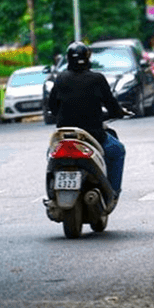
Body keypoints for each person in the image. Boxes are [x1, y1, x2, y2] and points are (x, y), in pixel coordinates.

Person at [47, 42, 126, 200]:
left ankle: (51, 194)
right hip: (94, 136)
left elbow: (52, 107)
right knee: (117, 151)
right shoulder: (97, 79)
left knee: (50, 155)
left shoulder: (60, 79)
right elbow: (112, 105)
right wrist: (119, 113)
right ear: (87, 59)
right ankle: (112, 193)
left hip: (64, 137)